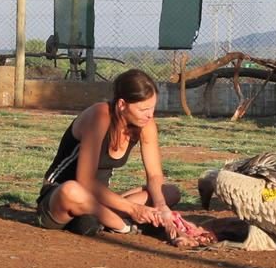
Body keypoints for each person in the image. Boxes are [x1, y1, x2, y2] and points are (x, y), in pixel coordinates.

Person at [36, 69, 181, 237]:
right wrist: (133, 209)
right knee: (71, 190)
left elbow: (155, 176)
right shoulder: (99, 116)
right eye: (143, 109)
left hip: (100, 201)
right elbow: (86, 182)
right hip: (61, 198)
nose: (150, 115)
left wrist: (161, 206)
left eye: (153, 108)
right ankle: (123, 226)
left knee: (169, 192)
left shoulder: (146, 125)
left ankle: (102, 220)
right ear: (121, 105)